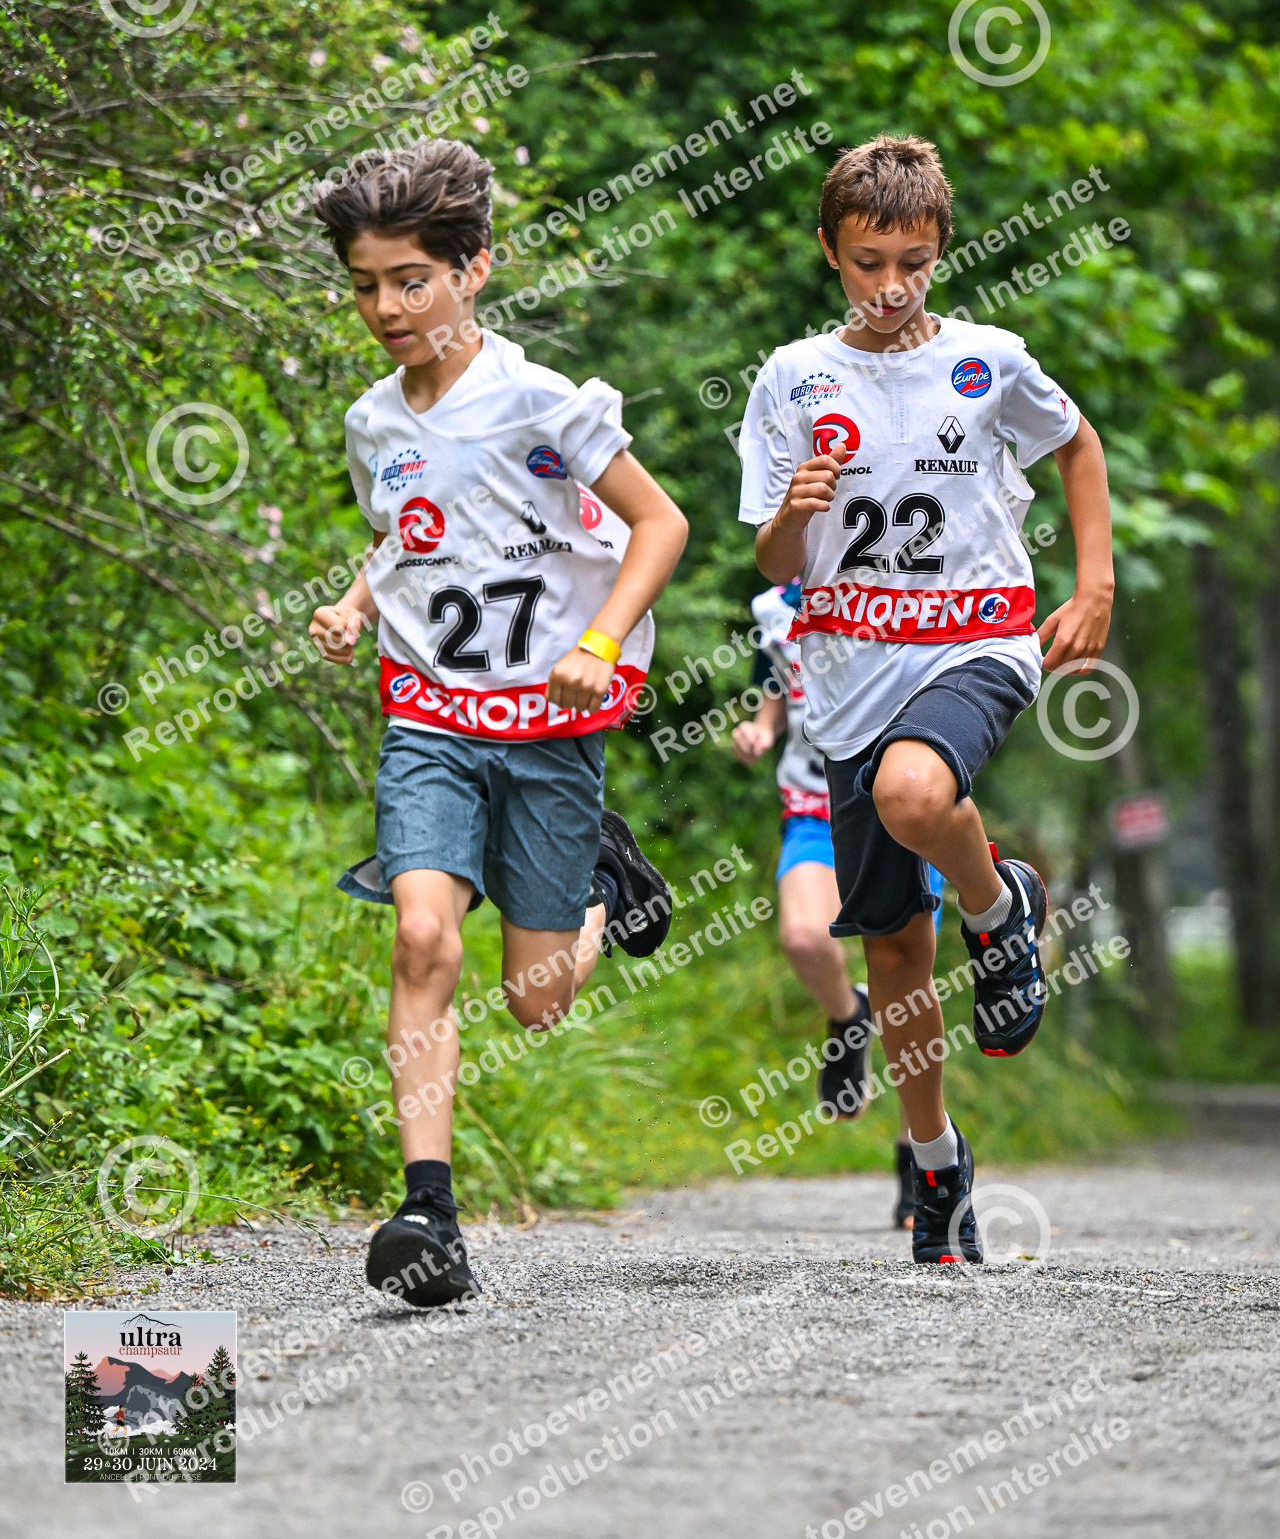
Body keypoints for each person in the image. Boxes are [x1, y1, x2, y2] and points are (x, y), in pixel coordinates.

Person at [308, 141, 688, 1306]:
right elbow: (408, 533)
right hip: (430, 714)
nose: (386, 308)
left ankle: (600, 882)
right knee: (422, 938)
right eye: (366, 285)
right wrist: (356, 601)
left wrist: (598, 644)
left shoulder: (542, 404)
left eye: (411, 280)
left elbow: (662, 526)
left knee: (535, 1001)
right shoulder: (373, 422)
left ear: (474, 269)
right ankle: (428, 1212)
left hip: (548, 724)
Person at [738, 133, 1113, 1263]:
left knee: (915, 792)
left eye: (912, 261)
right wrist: (796, 513)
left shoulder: (987, 361)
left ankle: (996, 910)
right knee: (895, 952)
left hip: (976, 641)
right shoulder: (791, 377)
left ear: (941, 247)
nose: (891, 286)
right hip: (848, 674)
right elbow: (771, 563)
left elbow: (1077, 446)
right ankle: (937, 1163)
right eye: (867, 263)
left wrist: (1094, 583)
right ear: (829, 251)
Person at [731, 578, 945, 1228]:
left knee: (907, 989)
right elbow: (777, 684)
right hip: (813, 806)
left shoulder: (915, 583)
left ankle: (922, 1162)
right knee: (803, 938)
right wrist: (760, 729)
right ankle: (849, 1016)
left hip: (901, 805)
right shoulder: (775, 607)